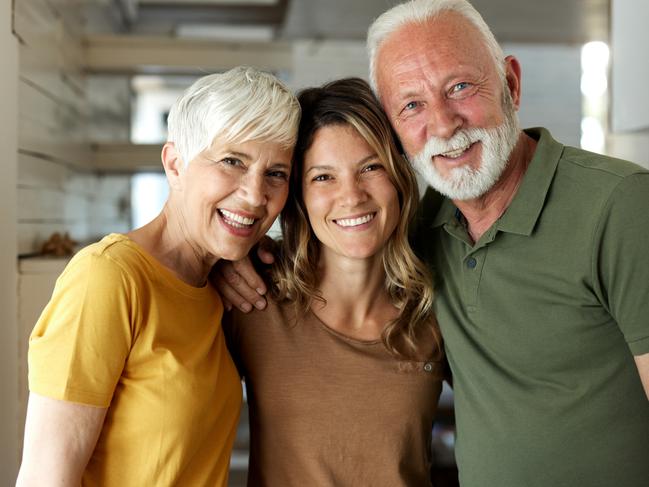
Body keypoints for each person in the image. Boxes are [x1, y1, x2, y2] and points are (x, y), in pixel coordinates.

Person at [216, 1, 649, 486]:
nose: (444, 125)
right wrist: (230, 254)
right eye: (412, 104)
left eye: (460, 87)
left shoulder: (619, 205)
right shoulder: (426, 238)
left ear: (511, 83)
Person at [16, 66, 300, 487]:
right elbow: (45, 478)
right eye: (231, 161)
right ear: (175, 164)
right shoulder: (108, 277)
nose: (256, 195)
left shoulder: (217, 284)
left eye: (275, 173)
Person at [223, 78, 445, 486]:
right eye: (323, 177)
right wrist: (222, 260)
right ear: (299, 198)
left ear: (398, 178)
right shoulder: (252, 300)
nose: (352, 196)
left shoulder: (434, 310)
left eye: (371, 167)